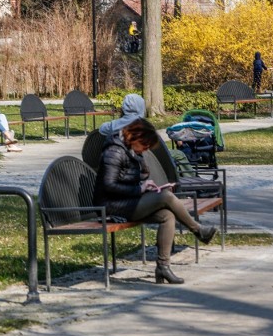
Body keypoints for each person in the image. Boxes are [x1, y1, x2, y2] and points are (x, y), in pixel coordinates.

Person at [93, 118, 217, 284]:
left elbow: (132, 177)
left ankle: (163, 268)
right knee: (166, 197)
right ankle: (198, 230)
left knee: (167, 215)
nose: (146, 149)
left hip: (127, 201)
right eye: (145, 145)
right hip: (112, 206)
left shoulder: (131, 150)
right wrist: (140, 188)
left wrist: (145, 184)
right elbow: (109, 185)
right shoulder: (114, 151)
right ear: (135, 138)